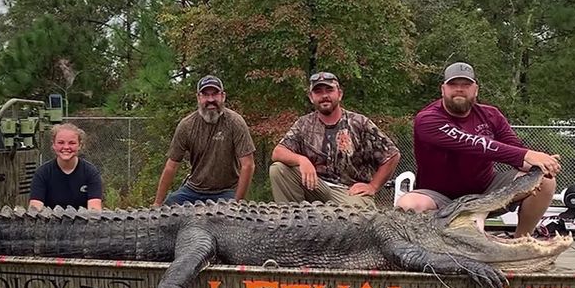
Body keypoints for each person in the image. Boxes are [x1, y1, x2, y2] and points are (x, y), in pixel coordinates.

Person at [395, 62, 561, 238]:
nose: (459, 89)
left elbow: (515, 152)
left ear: (476, 89)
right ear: (443, 89)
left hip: (487, 192)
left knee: (545, 180)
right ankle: (424, 247)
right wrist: (527, 154)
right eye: (453, 85)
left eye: (465, 85)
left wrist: (543, 165)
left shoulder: (492, 115)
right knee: (408, 204)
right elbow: (472, 143)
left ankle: (522, 241)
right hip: (438, 197)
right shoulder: (427, 119)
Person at [269, 72, 400, 208]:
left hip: (348, 193)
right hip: (316, 187)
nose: (324, 95)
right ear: (311, 97)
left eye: (329, 90)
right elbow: (278, 152)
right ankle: (293, 222)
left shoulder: (359, 122)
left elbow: (392, 155)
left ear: (340, 94)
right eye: (318, 92)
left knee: (357, 219)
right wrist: (302, 160)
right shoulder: (304, 124)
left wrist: (373, 186)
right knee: (278, 169)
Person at [153, 75, 256, 206]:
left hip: (226, 191)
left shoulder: (235, 122)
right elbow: (171, 166)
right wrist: (157, 203)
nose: (211, 99)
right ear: (198, 97)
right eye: (205, 95)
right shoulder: (186, 125)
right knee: (168, 207)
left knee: (227, 222)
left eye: (215, 94)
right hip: (193, 190)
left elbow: (248, 165)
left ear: (223, 96)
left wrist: (237, 203)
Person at [28, 123, 103, 210]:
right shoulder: (42, 173)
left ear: (80, 145)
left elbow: (95, 209)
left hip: (83, 222)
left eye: (72, 143)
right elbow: (35, 207)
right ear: (54, 145)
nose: (66, 147)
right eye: (61, 142)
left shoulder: (91, 173)